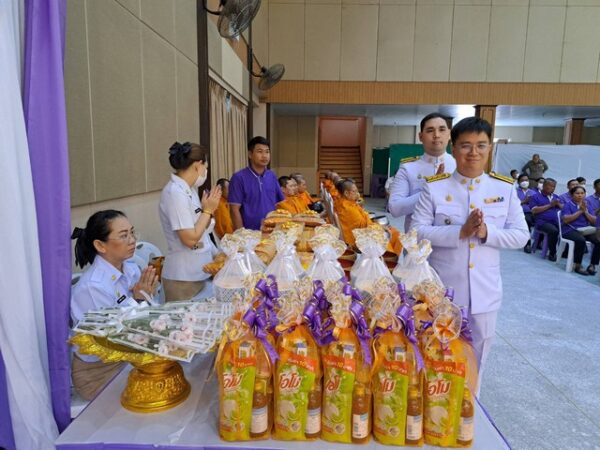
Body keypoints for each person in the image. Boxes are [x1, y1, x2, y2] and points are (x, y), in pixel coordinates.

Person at [411, 116, 529, 382]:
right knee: (438, 360)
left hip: (485, 294)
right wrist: (459, 232)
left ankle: (472, 404)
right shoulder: (435, 187)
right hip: (442, 293)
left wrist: (488, 233)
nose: (473, 152)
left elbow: (522, 235)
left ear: (489, 149)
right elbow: (416, 232)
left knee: (477, 361)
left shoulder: (504, 188)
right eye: (466, 145)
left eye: (481, 145)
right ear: (454, 149)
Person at [71, 210, 159, 400]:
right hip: (100, 371)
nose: (132, 240)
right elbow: (111, 336)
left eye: (132, 232)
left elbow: (149, 315)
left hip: (131, 354)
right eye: (123, 235)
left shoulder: (131, 268)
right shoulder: (92, 287)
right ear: (100, 245)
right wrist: (139, 301)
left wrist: (149, 297)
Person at [159, 142, 221, 301]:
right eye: (205, 167)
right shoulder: (175, 193)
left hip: (200, 271)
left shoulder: (189, 190)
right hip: (183, 278)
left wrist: (217, 255)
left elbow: (201, 232)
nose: (205, 171)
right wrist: (208, 211)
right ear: (198, 165)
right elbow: (190, 239)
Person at [388, 113, 457, 231]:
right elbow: (395, 208)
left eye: (442, 130)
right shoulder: (408, 168)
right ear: (420, 136)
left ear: (449, 134)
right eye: (430, 130)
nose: (436, 135)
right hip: (416, 239)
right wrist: (430, 190)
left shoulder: (460, 166)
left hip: (451, 237)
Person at [229, 136, 284, 230]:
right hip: (249, 232)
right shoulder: (239, 178)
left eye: (267, 152)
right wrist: (241, 234)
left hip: (271, 230)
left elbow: (279, 204)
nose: (264, 156)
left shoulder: (271, 176)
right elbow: (234, 210)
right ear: (250, 154)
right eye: (260, 151)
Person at [335, 178, 402, 254]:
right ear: (346, 193)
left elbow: (363, 220)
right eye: (355, 191)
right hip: (359, 238)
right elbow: (364, 227)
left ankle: (391, 257)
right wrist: (381, 227)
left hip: (363, 230)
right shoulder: (348, 209)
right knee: (395, 234)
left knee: (394, 232)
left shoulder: (345, 203)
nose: (357, 193)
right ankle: (390, 257)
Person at [561, 186, 600, 275]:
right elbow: (566, 220)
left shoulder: (587, 205)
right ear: (572, 195)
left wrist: (585, 211)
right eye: (577, 193)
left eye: (582, 193)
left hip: (585, 230)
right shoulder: (568, 205)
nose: (580, 195)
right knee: (580, 240)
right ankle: (577, 265)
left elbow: (594, 221)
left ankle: (592, 265)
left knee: (598, 240)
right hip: (569, 230)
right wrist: (580, 212)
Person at [530, 178, 563, 262]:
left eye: (554, 186)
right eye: (550, 186)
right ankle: (552, 253)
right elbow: (534, 211)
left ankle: (564, 252)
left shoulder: (556, 197)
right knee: (554, 231)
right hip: (542, 222)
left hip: (556, 221)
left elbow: (563, 208)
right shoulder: (535, 196)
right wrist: (550, 205)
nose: (552, 188)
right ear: (544, 185)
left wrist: (559, 204)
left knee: (567, 230)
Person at [516, 173, 536, 253]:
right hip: (519, 213)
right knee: (527, 221)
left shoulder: (533, 192)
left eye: (526, 180)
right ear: (518, 182)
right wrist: (524, 201)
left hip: (532, 213)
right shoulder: (515, 192)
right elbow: (513, 204)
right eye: (522, 180)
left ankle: (538, 243)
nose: (525, 182)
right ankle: (527, 244)